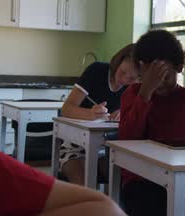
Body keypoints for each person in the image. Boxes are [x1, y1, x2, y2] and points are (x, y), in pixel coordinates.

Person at [0, 8, 125, 216]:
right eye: (125, 73)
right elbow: (104, 209)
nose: (128, 79)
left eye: (133, 77)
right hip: (73, 151)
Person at [119, 29, 185, 216]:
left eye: (165, 77)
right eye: (152, 78)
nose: (159, 84)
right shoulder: (133, 94)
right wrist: (145, 92)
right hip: (142, 180)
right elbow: (127, 138)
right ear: (141, 69)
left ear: (178, 67)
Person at [59, 43, 138, 185]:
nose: (125, 79)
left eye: (132, 78)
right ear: (118, 62)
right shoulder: (97, 71)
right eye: (123, 72)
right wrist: (91, 114)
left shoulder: (135, 89)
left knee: (123, 184)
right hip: (75, 146)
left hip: (107, 149)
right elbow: (66, 109)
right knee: (85, 187)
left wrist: (124, 112)